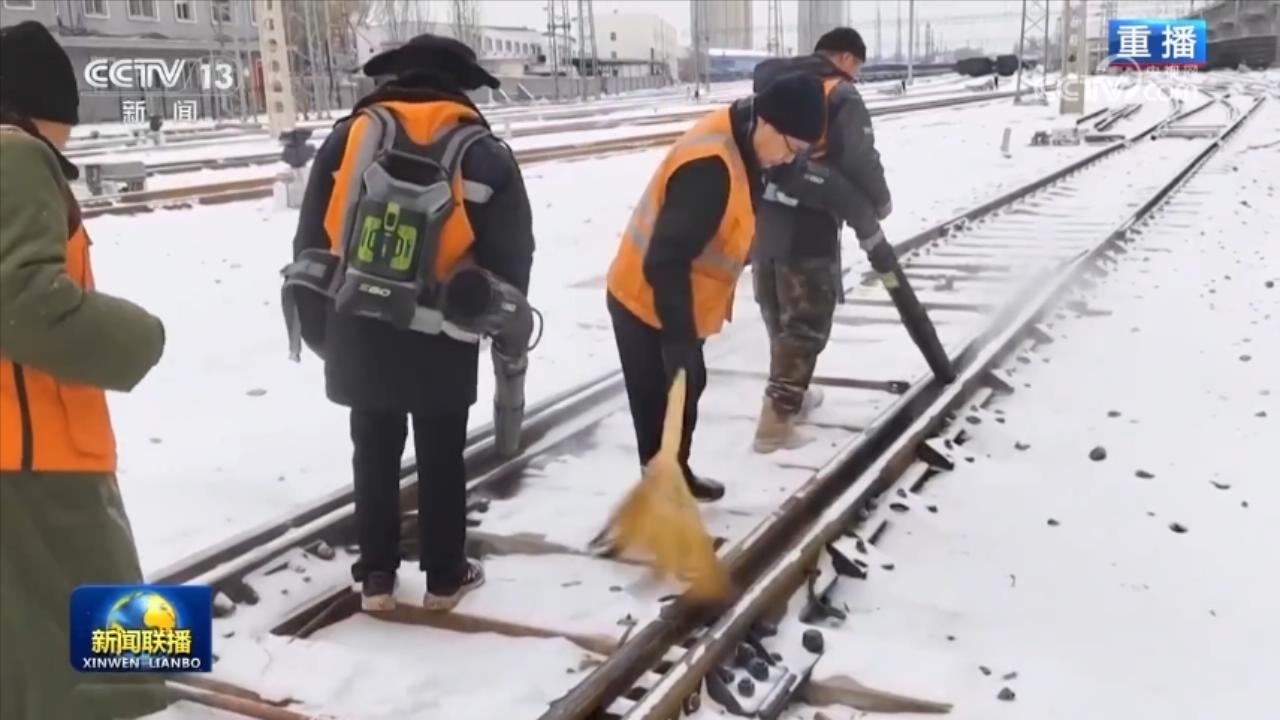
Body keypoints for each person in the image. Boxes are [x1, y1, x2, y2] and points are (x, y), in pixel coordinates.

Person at [285, 34, 535, 612]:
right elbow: (513, 250)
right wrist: (497, 317)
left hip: (358, 315)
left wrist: (325, 324)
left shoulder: (349, 136)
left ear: (396, 77)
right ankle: (445, 578)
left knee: (372, 446)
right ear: (461, 85)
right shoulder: (483, 150)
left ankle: (376, 577)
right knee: (442, 452)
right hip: (443, 324)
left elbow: (310, 237)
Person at [0, 21, 168, 720]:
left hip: (23, 451)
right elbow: (21, 297)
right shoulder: (16, 155)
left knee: (31, 665)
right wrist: (141, 338)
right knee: (125, 663)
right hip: (39, 451)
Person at [605, 74, 828, 503]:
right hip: (644, 299)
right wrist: (678, 339)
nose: (787, 159)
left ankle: (675, 475)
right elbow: (665, 260)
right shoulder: (710, 169)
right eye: (790, 147)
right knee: (659, 403)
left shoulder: (749, 140)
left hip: (681, 298)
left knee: (688, 390)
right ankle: (659, 498)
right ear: (767, 122)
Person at [748, 27, 893, 453]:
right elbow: (859, 157)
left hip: (765, 215)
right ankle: (776, 422)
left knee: (779, 311)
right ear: (847, 58)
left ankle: (792, 394)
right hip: (809, 220)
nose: (856, 75)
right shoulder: (840, 92)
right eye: (857, 66)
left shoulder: (777, 82)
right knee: (806, 320)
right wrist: (880, 202)